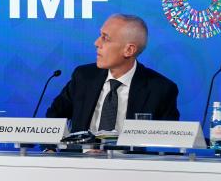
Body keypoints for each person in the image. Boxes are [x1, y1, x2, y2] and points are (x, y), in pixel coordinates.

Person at [46, 13, 179, 131]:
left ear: (129, 50)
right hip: (82, 157)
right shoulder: (83, 77)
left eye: (105, 38)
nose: (96, 43)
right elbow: (54, 117)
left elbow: (169, 143)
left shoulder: (161, 89)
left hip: (130, 159)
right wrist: (50, 149)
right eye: (100, 35)